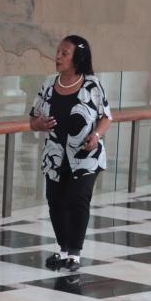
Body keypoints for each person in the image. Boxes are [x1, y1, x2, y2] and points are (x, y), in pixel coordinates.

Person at [29, 35, 111, 271]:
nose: (58, 56)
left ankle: (74, 254)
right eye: (58, 52)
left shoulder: (92, 85)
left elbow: (106, 117)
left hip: (86, 156)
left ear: (77, 58)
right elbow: (33, 119)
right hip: (55, 155)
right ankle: (64, 249)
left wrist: (95, 136)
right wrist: (39, 125)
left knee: (78, 199)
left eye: (64, 53)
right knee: (55, 201)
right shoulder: (47, 84)